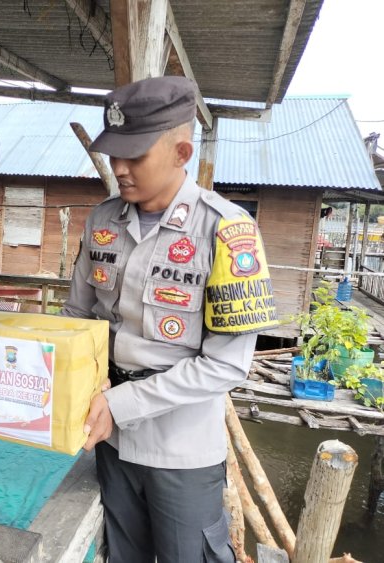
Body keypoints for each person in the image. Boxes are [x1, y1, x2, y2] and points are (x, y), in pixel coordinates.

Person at [61, 77, 279, 562]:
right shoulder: (102, 221)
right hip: (109, 440)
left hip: (181, 449)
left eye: (133, 157)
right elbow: (76, 319)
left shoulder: (226, 231)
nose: (118, 168)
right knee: (124, 556)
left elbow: (226, 365)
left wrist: (121, 404)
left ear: (181, 152)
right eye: (114, 154)